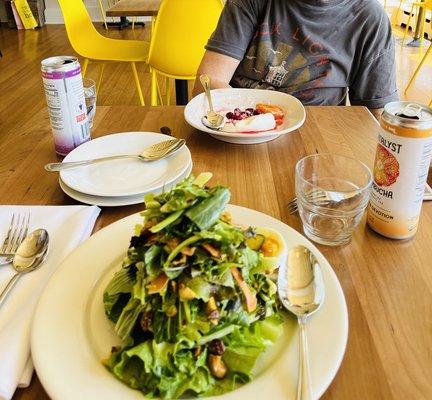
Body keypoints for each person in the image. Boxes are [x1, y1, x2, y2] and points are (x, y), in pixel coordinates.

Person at [192, 0, 398, 119]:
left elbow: (376, 117)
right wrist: (246, 120)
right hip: (236, 131)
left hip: (316, 142)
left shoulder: (369, 18)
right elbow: (207, 82)